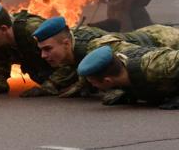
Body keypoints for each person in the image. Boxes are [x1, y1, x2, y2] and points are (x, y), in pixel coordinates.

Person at [33, 16, 179, 98]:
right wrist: (50, 86)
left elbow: (132, 60)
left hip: (165, 40)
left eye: (48, 49)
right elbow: (71, 66)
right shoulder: (70, 40)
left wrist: (122, 90)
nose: (43, 55)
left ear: (66, 43)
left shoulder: (100, 47)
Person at [0, 1, 72, 97]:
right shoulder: (0, 42)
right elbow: (0, 63)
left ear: (3, 29)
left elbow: (68, 56)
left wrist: (50, 85)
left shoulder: (32, 30)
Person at [78, 45, 179, 110]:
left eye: (93, 83)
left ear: (107, 81)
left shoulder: (156, 65)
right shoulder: (121, 76)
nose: (93, 86)